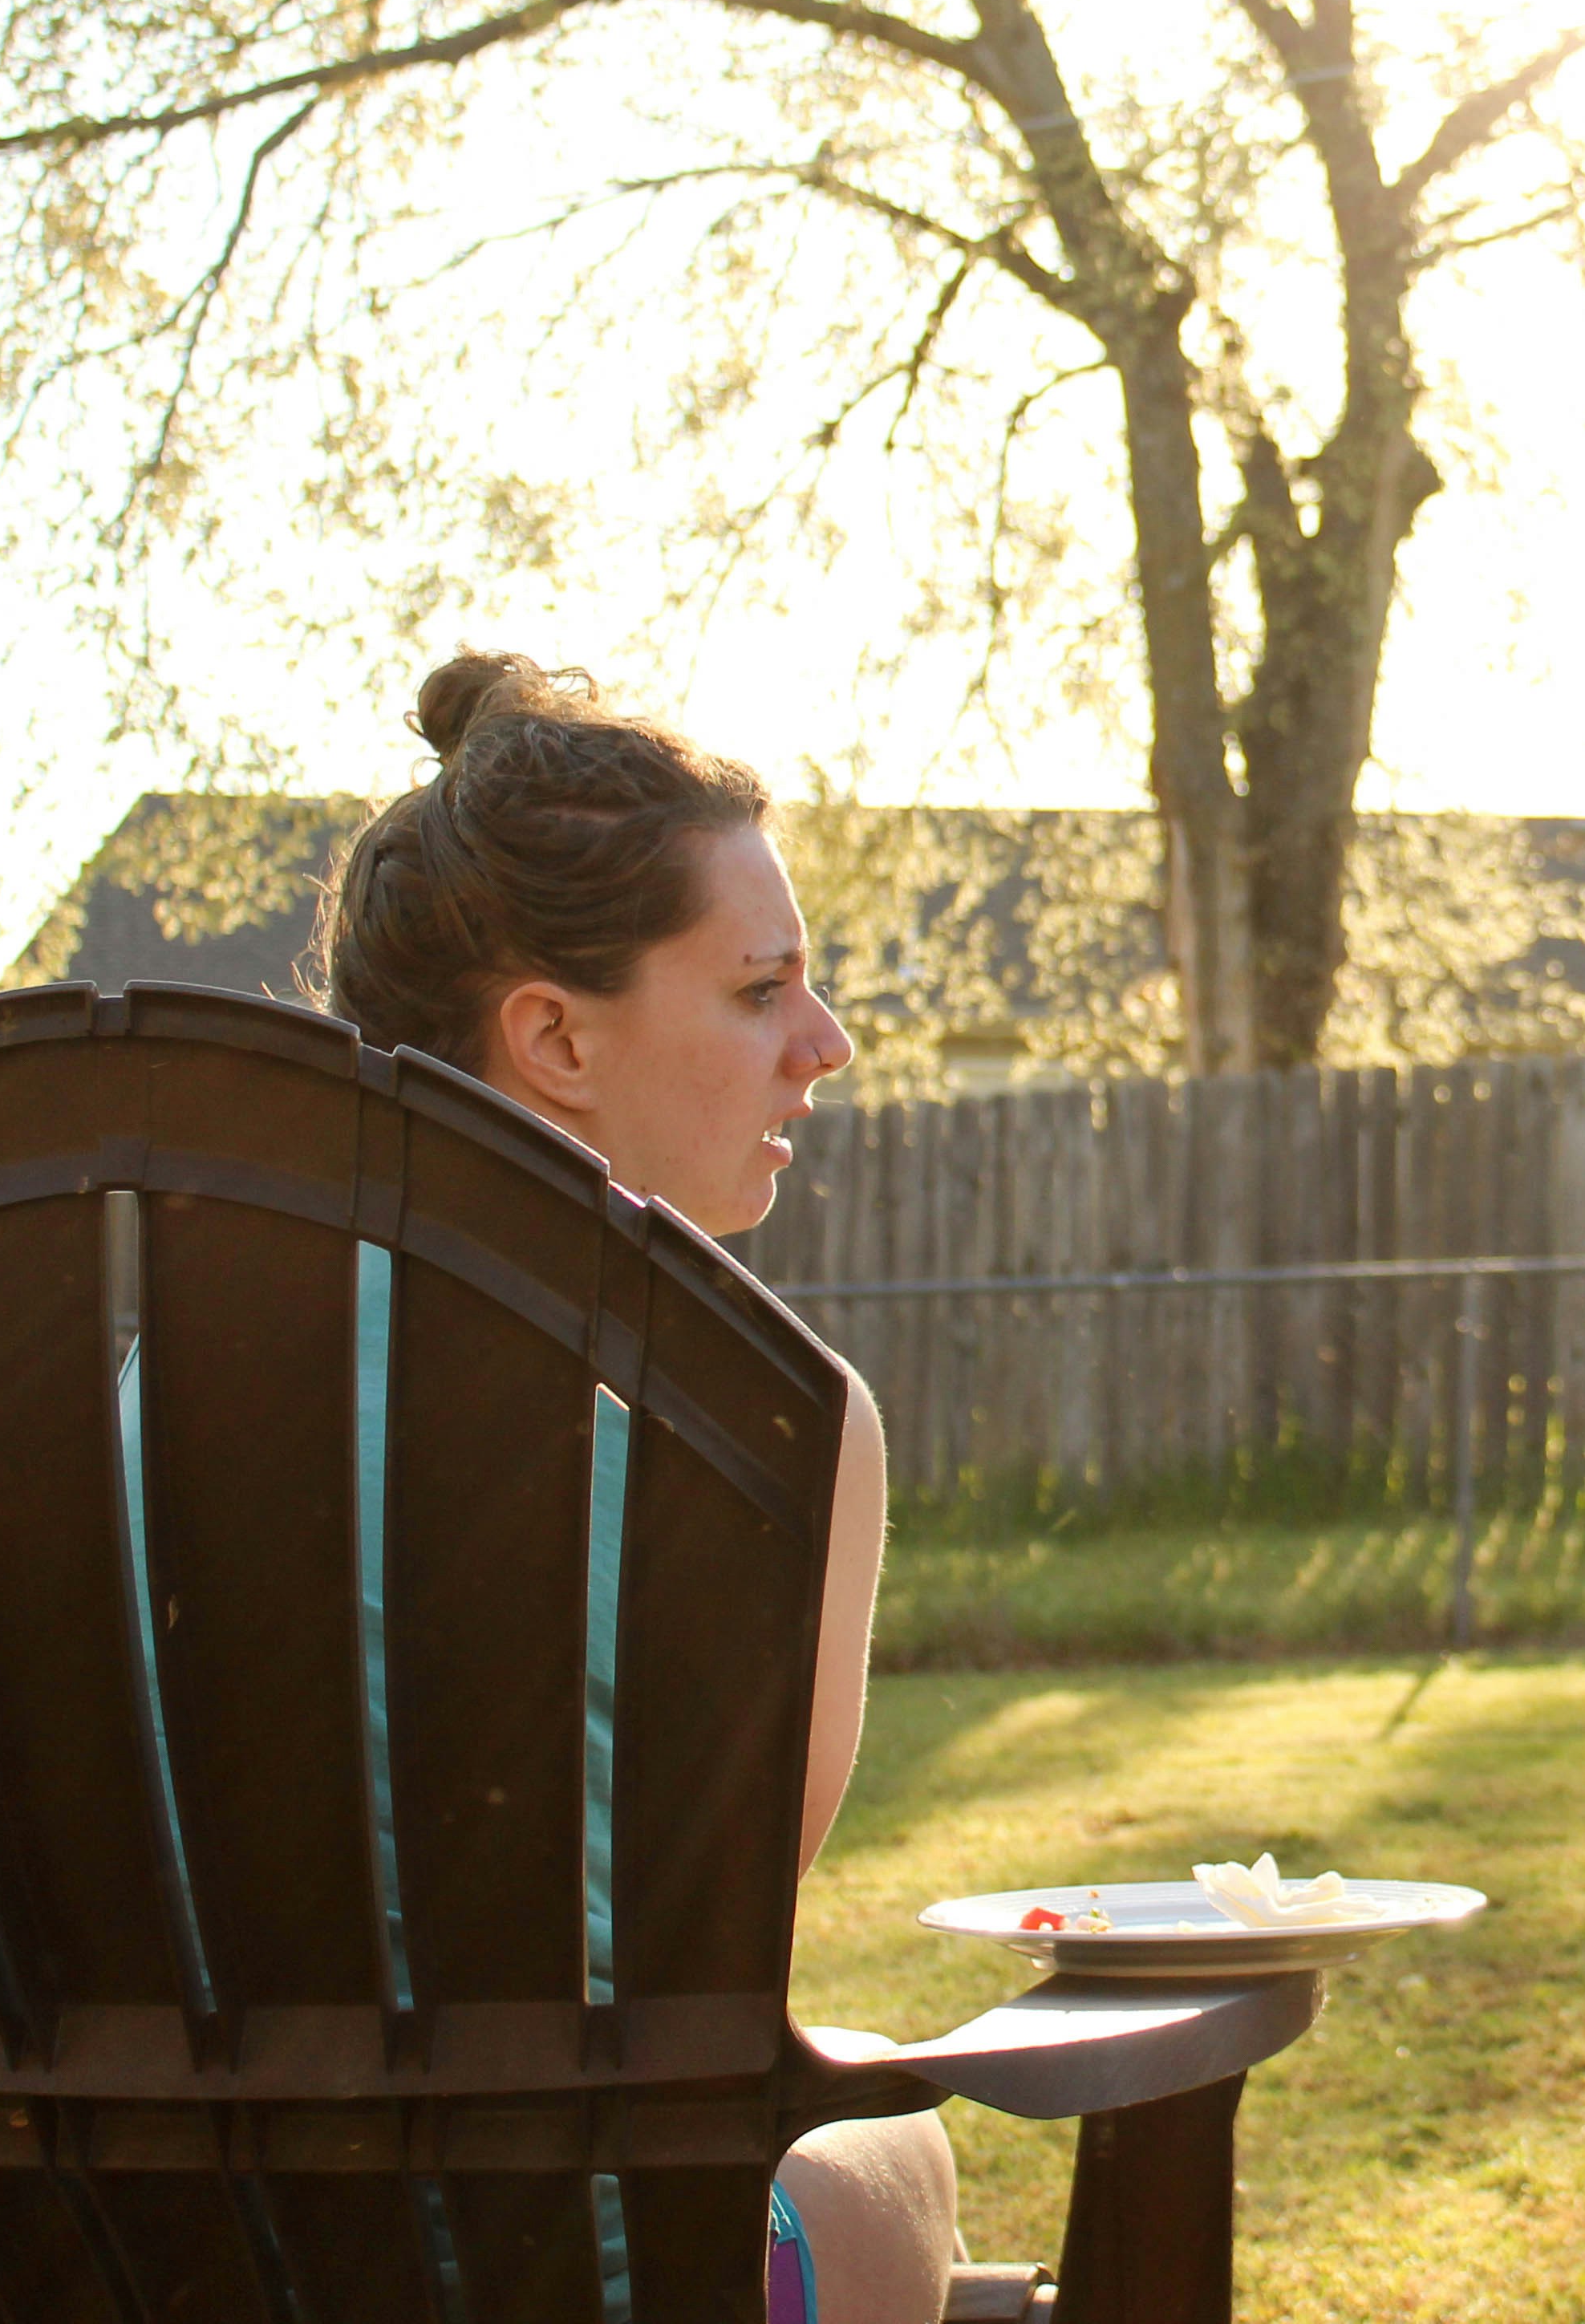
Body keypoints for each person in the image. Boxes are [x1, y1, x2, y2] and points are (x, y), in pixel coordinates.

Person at [318, 651, 951, 2324]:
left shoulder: (130, 1393)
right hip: (583, 2280)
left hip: (130, 2261)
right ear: (551, 1038)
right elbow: (726, 1943)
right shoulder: (776, 1429)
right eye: (759, 991)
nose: (825, 1042)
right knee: (897, 2148)